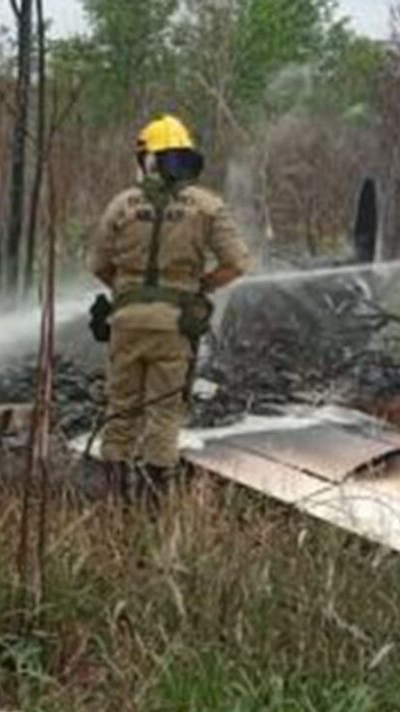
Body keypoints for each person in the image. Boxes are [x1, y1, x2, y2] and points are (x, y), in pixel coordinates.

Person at [89, 115, 254, 501]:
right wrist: (200, 287)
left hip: (126, 325)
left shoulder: (121, 204)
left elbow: (97, 264)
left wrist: (128, 293)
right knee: (164, 414)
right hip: (175, 327)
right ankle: (154, 505)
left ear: (147, 159)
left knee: (121, 410)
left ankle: (114, 501)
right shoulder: (207, 206)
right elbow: (237, 263)